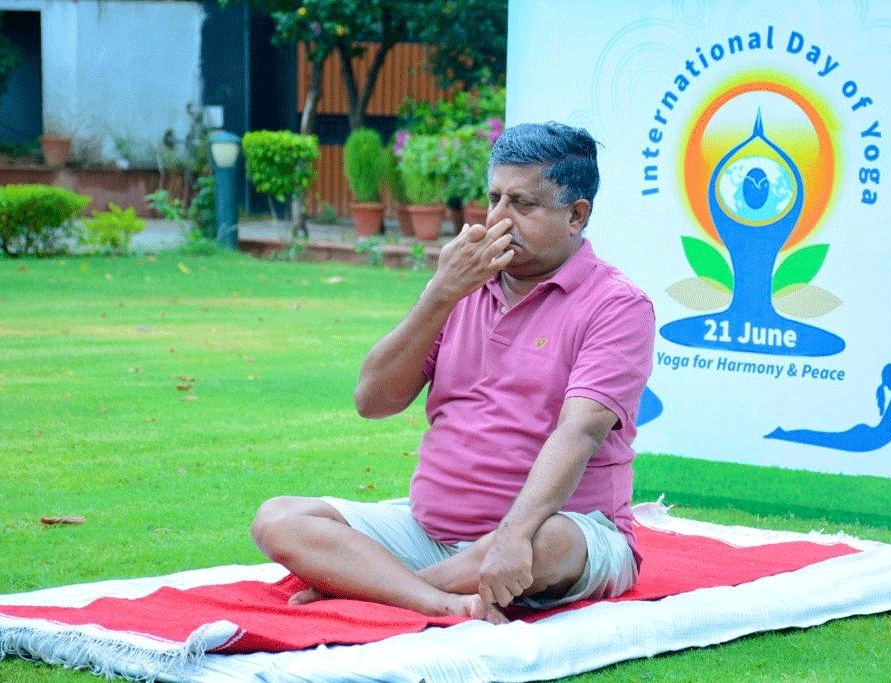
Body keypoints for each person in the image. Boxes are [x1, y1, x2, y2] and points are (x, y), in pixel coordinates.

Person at [251, 122, 656, 624]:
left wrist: (512, 536)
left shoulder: (617, 305)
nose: (499, 220)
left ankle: (381, 590)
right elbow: (372, 401)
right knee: (279, 519)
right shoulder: (460, 287)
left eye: (522, 204)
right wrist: (439, 293)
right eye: (494, 199)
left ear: (576, 216)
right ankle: (442, 601)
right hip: (431, 533)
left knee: (547, 542)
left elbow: (579, 432)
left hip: (558, 533)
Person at [765, 363, 891, 465]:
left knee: (824, 438)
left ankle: (784, 433)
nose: (886, 386)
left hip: (867, 438)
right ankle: (783, 433)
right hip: (867, 439)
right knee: (823, 438)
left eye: (887, 382)